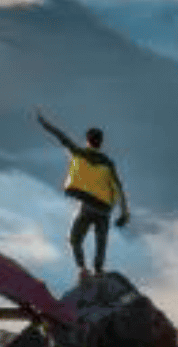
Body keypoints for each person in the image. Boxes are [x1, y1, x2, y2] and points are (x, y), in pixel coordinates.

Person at [35, 109, 130, 276]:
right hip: (104, 209)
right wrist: (124, 213)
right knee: (101, 242)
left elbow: (62, 137)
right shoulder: (108, 163)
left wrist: (45, 124)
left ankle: (82, 268)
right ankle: (99, 270)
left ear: (87, 140)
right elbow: (119, 188)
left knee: (75, 239)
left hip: (88, 206)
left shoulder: (80, 153)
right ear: (101, 142)